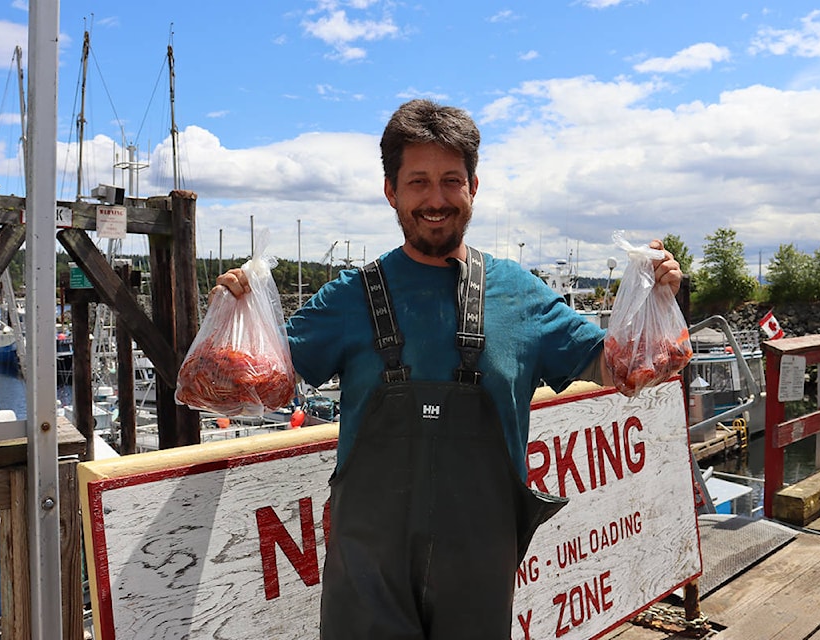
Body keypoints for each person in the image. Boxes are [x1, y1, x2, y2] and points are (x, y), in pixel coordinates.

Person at [213, 98, 683, 639]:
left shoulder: (522, 295)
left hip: (479, 566)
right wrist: (234, 316)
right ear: (390, 191)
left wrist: (655, 302)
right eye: (417, 182)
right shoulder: (349, 297)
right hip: (368, 573)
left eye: (451, 181)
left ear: (474, 187)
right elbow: (262, 382)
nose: (435, 200)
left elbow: (617, 366)